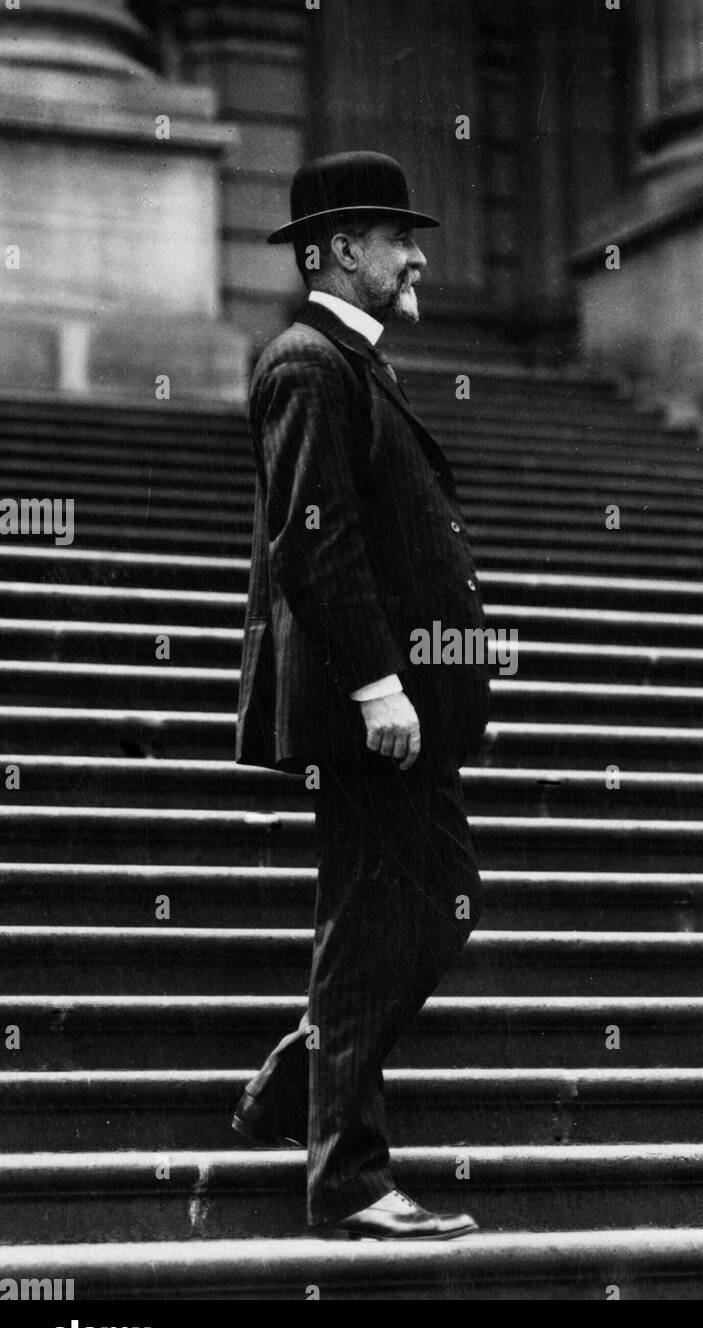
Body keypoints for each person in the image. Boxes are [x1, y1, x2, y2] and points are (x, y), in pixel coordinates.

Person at [232, 151, 491, 1240]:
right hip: (370, 710)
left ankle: (308, 1074)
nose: (419, 255)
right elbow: (314, 541)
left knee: (404, 906)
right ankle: (346, 1174)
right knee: (406, 909)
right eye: (400, 238)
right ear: (341, 250)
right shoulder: (306, 363)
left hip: (399, 708)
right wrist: (382, 686)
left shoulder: (355, 362)